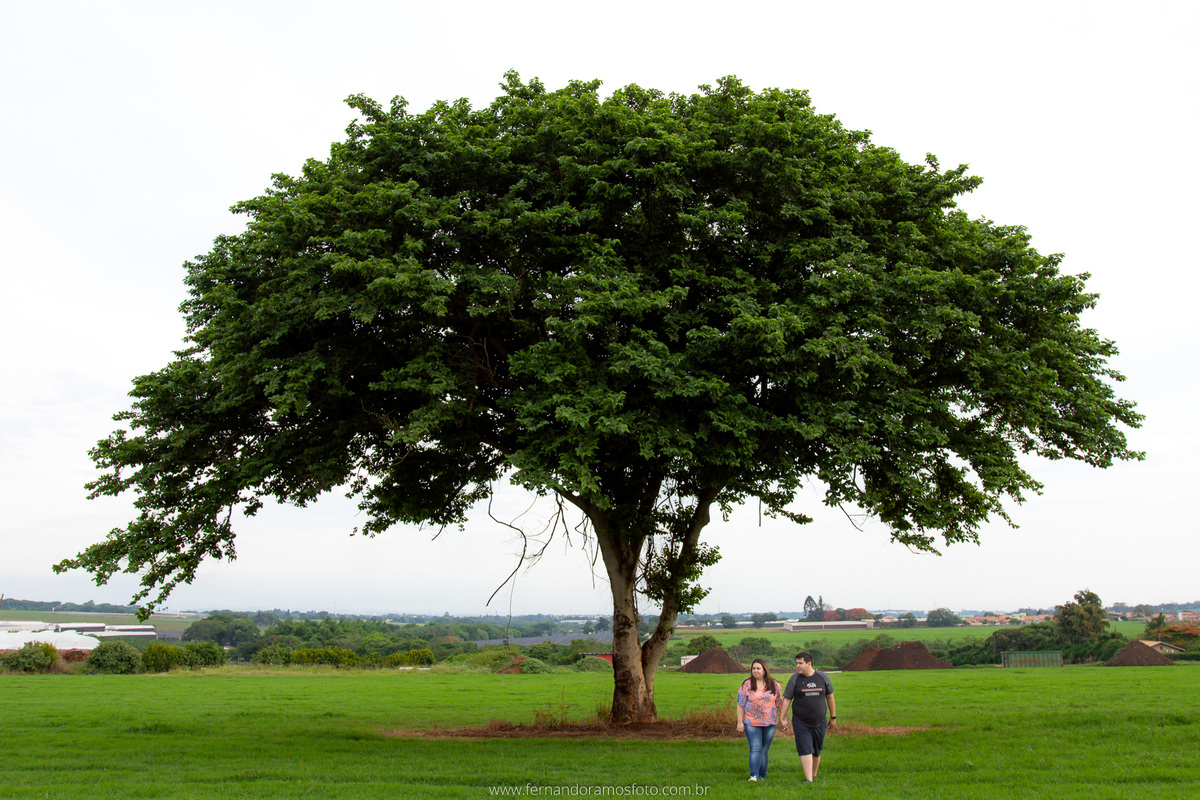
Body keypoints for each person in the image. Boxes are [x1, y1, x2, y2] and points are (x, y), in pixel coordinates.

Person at [780, 652, 837, 783]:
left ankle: (813, 774)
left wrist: (833, 717)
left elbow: (830, 697)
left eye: (800, 663)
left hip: (820, 722)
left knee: (816, 750)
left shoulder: (822, 677)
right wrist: (782, 718)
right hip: (800, 722)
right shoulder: (795, 679)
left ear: (809, 664)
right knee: (805, 748)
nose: (797, 666)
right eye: (797, 663)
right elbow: (787, 699)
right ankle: (808, 779)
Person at [736, 658, 784, 782]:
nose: (755, 671)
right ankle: (754, 775)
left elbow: (780, 703)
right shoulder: (747, 685)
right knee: (755, 748)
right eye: (753, 668)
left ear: (764, 671)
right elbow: (740, 704)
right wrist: (740, 722)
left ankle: (762, 776)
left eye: (758, 668)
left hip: (770, 723)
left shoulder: (774, 685)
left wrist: (783, 719)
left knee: (764, 750)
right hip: (751, 723)